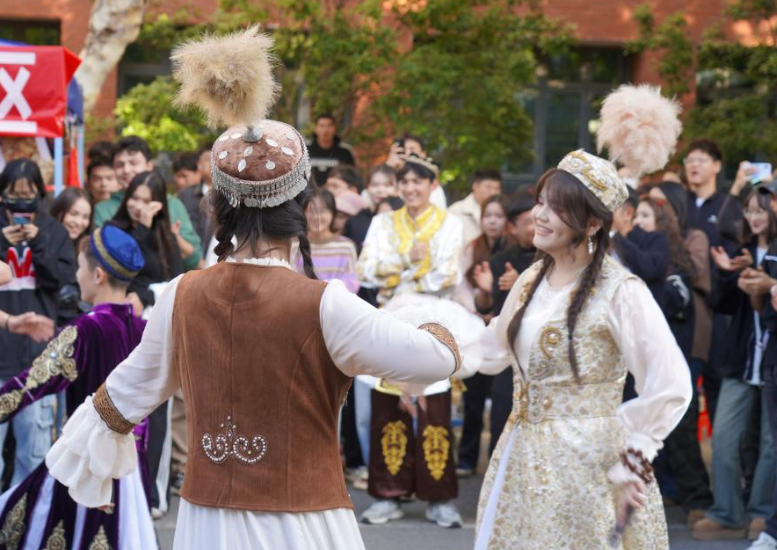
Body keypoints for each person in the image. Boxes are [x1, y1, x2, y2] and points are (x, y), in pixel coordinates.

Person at [46, 27, 463, 550]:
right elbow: (437, 360)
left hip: (205, 524)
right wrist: (435, 320)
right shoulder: (325, 305)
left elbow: (122, 397)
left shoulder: (180, 295)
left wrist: (91, 459)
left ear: (217, 208)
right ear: (302, 208)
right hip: (302, 523)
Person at [474, 151, 691, 549]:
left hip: (590, 467)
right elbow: (491, 347)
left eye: (556, 208)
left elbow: (670, 381)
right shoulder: (531, 279)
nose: (539, 215)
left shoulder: (620, 290)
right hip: (521, 457)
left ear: (591, 223)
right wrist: (421, 346)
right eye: (541, 201)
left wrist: (637, 454)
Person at [0, 225, 156, 549]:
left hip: (84, 467)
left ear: (98, 275)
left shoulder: (86, 329)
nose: (76, 275)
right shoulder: (144, 330)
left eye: (80, 266)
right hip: (130, 470)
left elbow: (29, 385)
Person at [357, 155, 467, 528]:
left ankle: (439, 497)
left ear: (432, 185)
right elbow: (366, 269)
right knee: (388, 404)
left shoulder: (450, 223)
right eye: (404, 181)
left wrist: (399, 274)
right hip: (391, 318)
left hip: (436, 319)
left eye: (418, 181)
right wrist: (409, 260)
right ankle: (388, 494)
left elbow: (447, 275)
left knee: (434, 406)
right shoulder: (382, 222)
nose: (410, 188)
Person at [693, 188, 777, 541]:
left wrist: (767, 284)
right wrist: (728, 273)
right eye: (748, 210)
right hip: (741, 359)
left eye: (761, 210)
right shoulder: (739, 250)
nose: (754, 217)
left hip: (772, 357)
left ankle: (763, 514)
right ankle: (728, 513)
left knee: (771, 443)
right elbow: (719, 303)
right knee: (725, 436)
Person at [0, 159, 77, 485]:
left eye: (28, 194)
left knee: (33, 457)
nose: (21, 203)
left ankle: (23, 517)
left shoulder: (53, 232)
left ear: (39, 193)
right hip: (2, 353)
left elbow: (62, 281)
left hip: (37, 360)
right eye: (13, 195)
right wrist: (4, 243)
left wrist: (38, 243)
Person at [452, 194, 510, 478]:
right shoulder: (471, 248)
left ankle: (497, 461)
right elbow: (460, 286)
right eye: (488, 216)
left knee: (500, 399)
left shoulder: (513, 249)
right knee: (473, 398)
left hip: (503, 327)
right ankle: (467, 458)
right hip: (474, 327)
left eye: (498, 216)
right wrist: (477, 310)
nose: (493, 222)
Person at [685, 138, 741, 422]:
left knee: (716, 379)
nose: (694, 165)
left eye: (701, 160)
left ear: (717, 166)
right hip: (685, 308)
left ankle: (721, 446)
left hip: (717, 308)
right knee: (683, 383)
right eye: (690, 160)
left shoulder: (727, 206)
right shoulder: (679, 203)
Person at [93, 136, 202, 270]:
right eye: (119, 165)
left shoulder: (173, 204)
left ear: (149, 166)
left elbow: (195, 259)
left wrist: (172, 238)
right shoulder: (103, 209)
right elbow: (106, 258)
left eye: (133, 163)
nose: (126, 170)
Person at [110, 171, 184, 312]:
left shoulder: (166, 238)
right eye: (134, 198)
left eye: (146, 201)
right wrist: (142, 228)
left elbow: (178, 283)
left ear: (158, 205)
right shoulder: (112, 230)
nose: (138, 206)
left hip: (153, 313)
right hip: (119, 309)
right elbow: (120, 262)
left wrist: (146, 297)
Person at [300, 187, 359, 293]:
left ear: (333, 213)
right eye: (311, 211)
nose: (316, 217)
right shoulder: (295, 245)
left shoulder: (346, 246)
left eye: (322, 211)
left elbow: (352, 284)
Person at [50, 187, 93, 326]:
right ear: (59, 212)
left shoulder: (90, 249)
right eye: (74, 214)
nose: (79, 222)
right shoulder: (43, 245)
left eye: (85, 217)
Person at [344, 165, 398, 253]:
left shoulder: (405, 218)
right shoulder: (355, 222)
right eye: (374, 185)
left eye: (387, 185)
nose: (380, 190)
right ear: (367, 187)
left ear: (398, 188)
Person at [448, 169, 503, 244]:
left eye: (497, 188)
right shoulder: (456, 211)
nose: (493, 192)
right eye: (488, 187)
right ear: (475, 186)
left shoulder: (504, 211)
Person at [178, 147, 213, 252]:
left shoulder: (233, 198)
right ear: (199, 165)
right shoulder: (185, 196)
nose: (214, 164)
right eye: (209, 159)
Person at [308, 114, 357, 185]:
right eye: (322, 126)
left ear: (334, 128)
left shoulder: (345, 152)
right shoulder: (305, 151)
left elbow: (352, 176)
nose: (325, 130)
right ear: (316, 128)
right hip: (310, 190)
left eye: (329, 126)